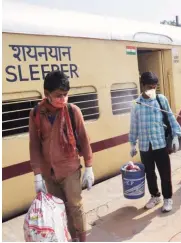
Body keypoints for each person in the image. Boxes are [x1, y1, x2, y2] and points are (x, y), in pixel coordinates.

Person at [29, 71, 94, 242]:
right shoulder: (36, 113)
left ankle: (82, 239)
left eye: (65, 95)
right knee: (59, 209)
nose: (63, 99)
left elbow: (84, 139)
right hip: (48, 174)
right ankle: (69, 238)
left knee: (75, 206)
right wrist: (37, 174)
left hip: (70, 169)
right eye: (58, 95)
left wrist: (89, 167)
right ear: (46, 94)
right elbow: (34, 145)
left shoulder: (73, 111)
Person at [129, 71, 181, 213]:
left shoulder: (161, 100)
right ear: (142, 86)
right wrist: (132, 143)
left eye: (154, 87)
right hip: (145, 146)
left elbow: (170, 117)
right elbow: (134, 125)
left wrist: (176, 135)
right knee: (150, 174)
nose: (152, 90)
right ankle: (155, 196)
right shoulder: (136, 104)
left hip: (160, 144)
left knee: (165, 173)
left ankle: (167, 199)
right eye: (149, 87)